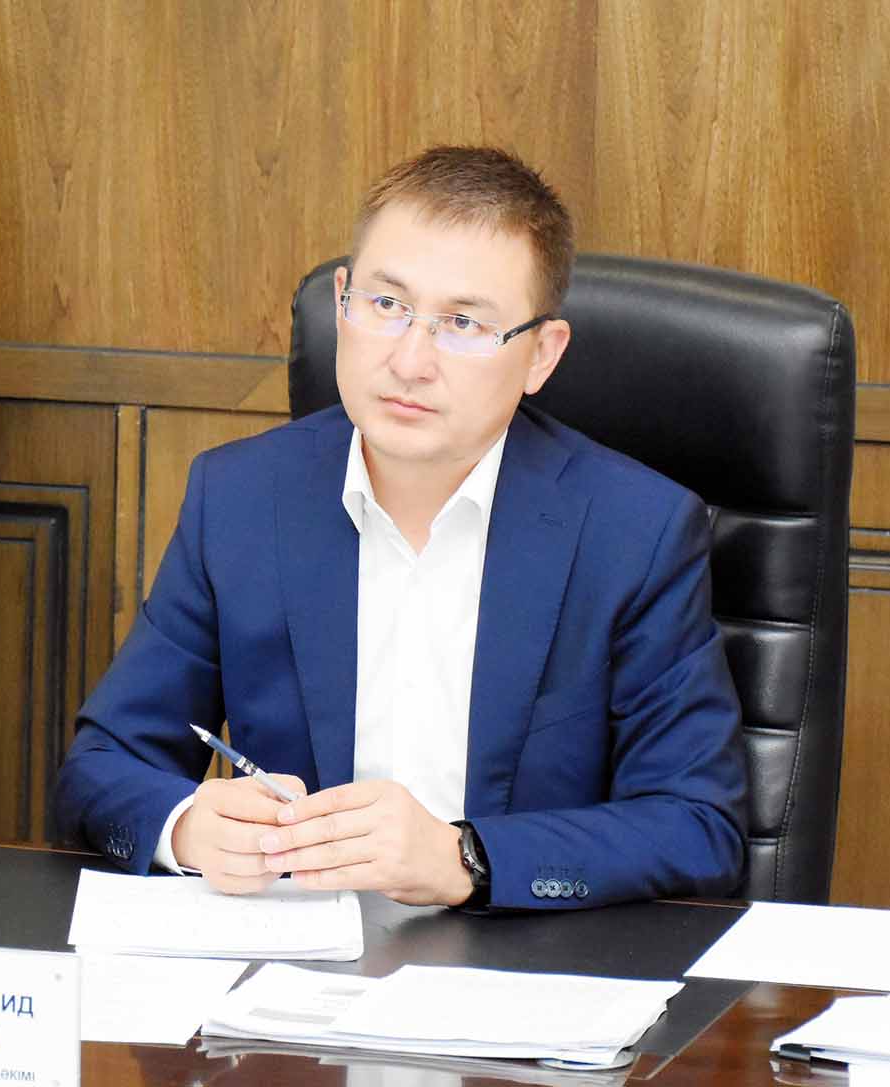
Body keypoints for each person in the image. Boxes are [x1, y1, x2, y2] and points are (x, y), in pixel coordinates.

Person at [52, 145, 747, 910]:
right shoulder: (241, 498)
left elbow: (697, 826)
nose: (411, 360)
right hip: (295, 960)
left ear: (540, 355)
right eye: (386, 305)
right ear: (341, 301)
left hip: (520, 961)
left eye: (463, 323)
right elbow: (103, 764)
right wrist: (184, 826)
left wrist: (467, 858)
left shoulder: (633, 532)